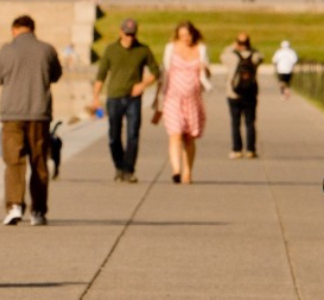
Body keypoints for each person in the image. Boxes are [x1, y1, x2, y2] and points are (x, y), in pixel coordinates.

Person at [0, 14, 61, 225]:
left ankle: (14, 205)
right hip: (39, 114)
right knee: (39, 162)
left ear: (14, 30)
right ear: (33, 29)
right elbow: (55, 75)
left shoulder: (6, 50)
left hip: (12, 115)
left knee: (14, 162)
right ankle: (38, 211)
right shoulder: (47, 50)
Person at [91, 18, 159, 184]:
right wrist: (95, 98)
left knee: (132, 135)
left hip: (133, 99)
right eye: (127, 34)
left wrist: (143, 85)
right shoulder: (111, 50)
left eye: (132, 34)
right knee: (114, 136)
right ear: (121, 32)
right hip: (114, 97)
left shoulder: (143, 50)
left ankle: (129, 170)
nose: (130, 37)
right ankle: (119, 166)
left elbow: (156, 72)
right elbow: (101, 75)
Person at [153, 21, 211, 183]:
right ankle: (176, 170)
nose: (185, 39)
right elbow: (165, 71)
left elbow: (206, 74)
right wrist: (159, 96)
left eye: (187, 35)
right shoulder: (171, 48)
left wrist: (205, 69)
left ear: (193, 34)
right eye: (181, 36)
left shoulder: (201, 49)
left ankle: (188, 172)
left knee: (189, 137)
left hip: (193, 99)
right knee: (175, 133)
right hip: (173, 98)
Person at [224, 33, 262, 159]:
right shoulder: (254, 56)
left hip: (233, 93)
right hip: (250, 93)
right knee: (250, 122)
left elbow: (222, 56)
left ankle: (237, 149)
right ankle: (250, 149)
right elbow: (261, 57)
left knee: (235, 123)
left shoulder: (230, 55)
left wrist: (233, 46)